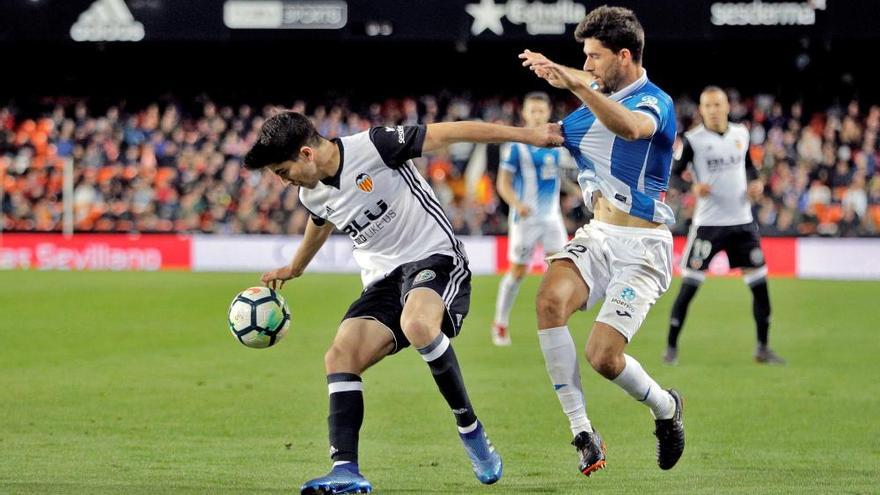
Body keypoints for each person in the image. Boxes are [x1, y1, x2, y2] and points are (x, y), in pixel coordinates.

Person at [245, 111, 562, 494]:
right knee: (340, 356)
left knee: (418, 324)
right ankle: (346, 470)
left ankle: (470, 429)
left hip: (435, 257)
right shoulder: (310, 191)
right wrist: (295, 267)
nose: (283, 180)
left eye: (282, 170)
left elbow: (455, 132)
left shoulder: (376, 145)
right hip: (383, 280)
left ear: (307, 153)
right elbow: (320, 220)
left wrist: (529, 135)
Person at [519, 5, 685, 478]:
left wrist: (571, 82)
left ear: (625, 56)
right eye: (584, 58)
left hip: (643, 249)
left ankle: (666, 408)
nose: (587, 66)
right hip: (598, 235)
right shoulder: (593, 95)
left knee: (603, 358)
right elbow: (562, 120)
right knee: (549, 300)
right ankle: (582, 432)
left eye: (594, 57)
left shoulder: (656, 102)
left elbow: (630, 128)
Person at [665, 86, 785, 365]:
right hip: (709, 225)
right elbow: (674, 176)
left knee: (760, 287)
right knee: (689, 288)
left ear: (727, 107)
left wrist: (756, 183)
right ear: (701, 110)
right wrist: (692, 186)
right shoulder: (693, 140)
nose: (713, 110)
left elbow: (749, 167)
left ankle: (763, 348)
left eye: (718, 105)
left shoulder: (741, 134)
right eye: (708, 106)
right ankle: (671, 347)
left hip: (743, 223)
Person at [491, 91, 572, 346]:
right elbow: (502, 183)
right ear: (524, 114)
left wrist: (577, 190)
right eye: (532, 111)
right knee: (517, 271)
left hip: (552, 219)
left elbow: (560, 177)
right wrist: (517, 204)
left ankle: (554, 322)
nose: (537, 115)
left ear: (548, 113)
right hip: (525, 219)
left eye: (541, 111)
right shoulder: (515, 145)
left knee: (562, 269)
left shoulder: (558, 143)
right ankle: (500, 323)